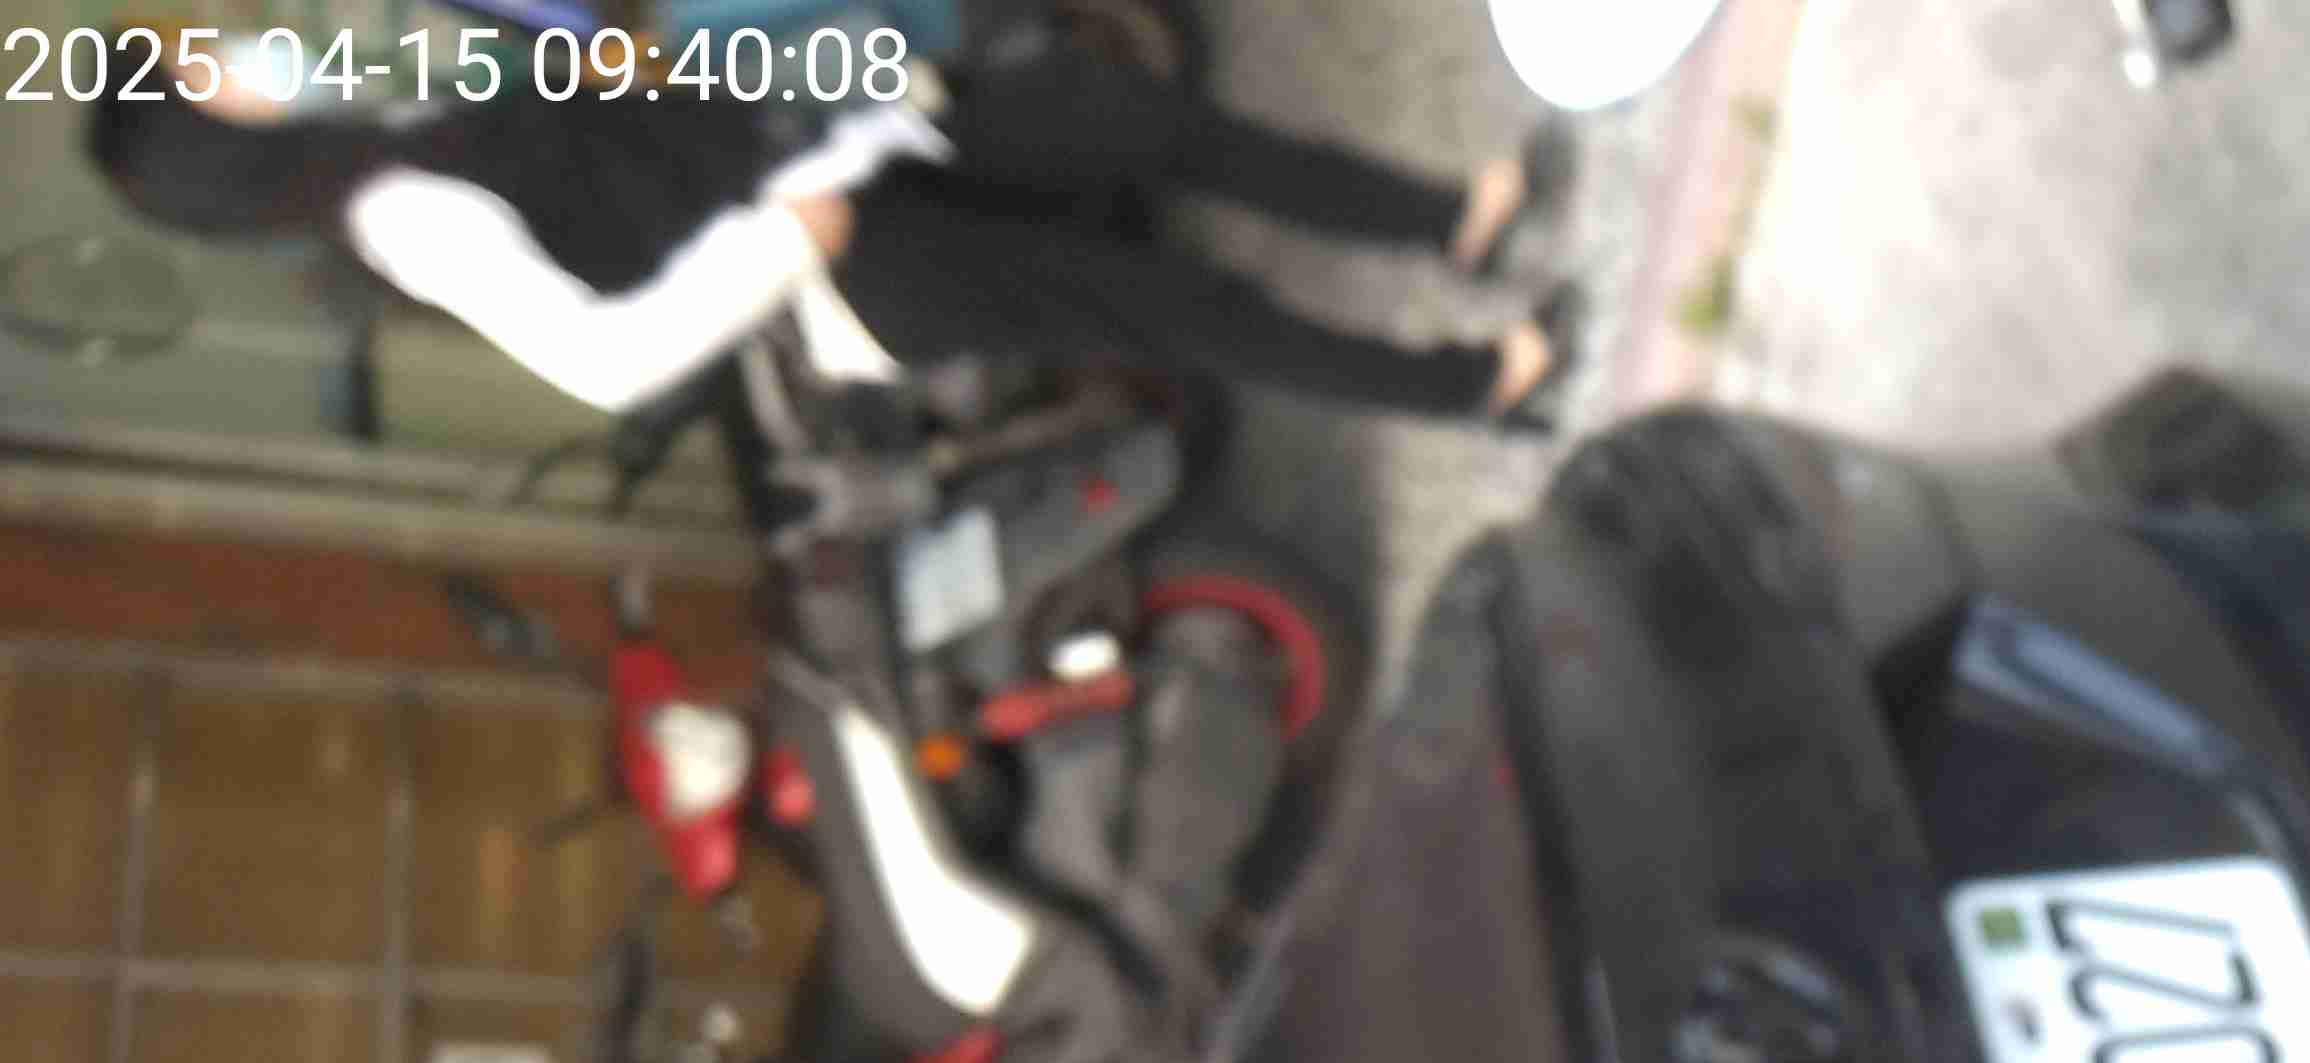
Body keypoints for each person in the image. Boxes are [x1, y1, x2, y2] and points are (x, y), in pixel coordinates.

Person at [85, 36, 1580, 431]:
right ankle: (1475, 383)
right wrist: (787, 242)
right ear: (213, 139)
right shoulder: (402, 220)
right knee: (1174, 306)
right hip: (852, 267)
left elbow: (621, 127)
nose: (235, 48)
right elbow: (605, 363)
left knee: (1142, 126)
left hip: (847, 147)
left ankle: (1449, 218)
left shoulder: (397, 115)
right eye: (205, 71)